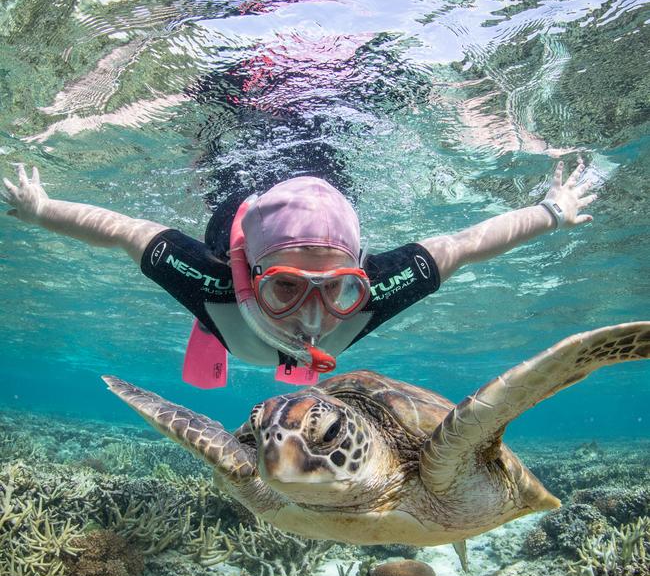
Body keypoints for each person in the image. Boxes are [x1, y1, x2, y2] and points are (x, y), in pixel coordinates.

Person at [2, 159, 597, 387]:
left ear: (360, 276)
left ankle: (243, 324)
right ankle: (208, 329)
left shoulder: (376, 293)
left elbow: (463, 246)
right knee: (214, 313)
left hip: (247, 300)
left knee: (288, 331)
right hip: (233, 233)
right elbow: (124, 231)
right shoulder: (206, 279)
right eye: (285, 288)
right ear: (253, 275)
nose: (312, 318)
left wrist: (551, 213)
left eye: (338, 289)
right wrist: (40, 210)